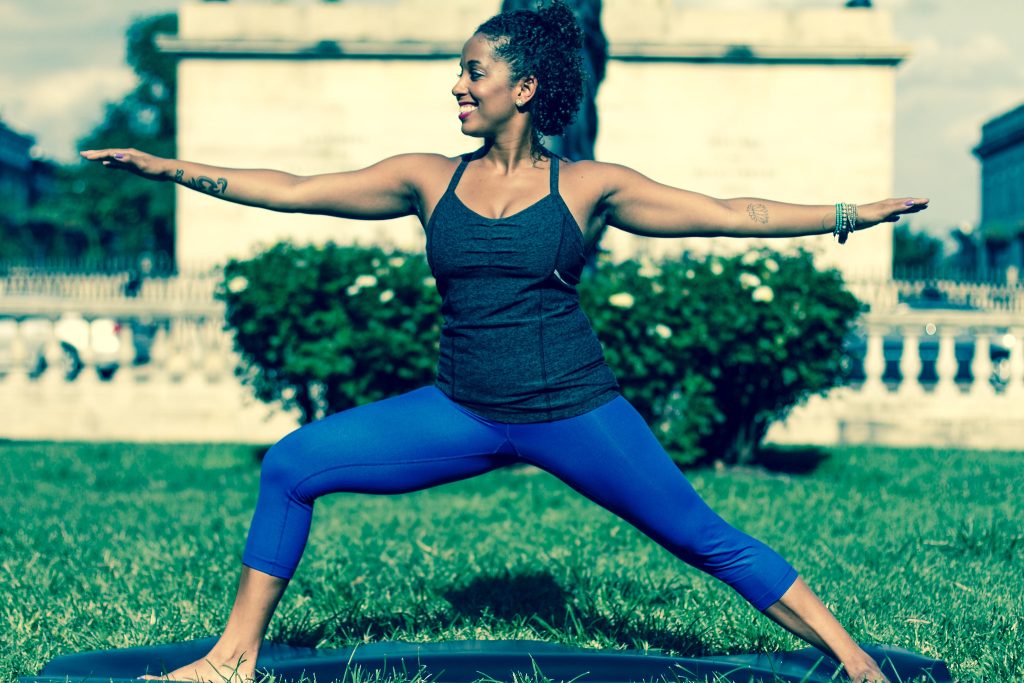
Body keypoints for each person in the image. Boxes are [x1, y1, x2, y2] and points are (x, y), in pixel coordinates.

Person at [81, 3, 928, 682]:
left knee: (703, 536)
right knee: (291, 463)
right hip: (463, 408)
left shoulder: (590, 185)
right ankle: (232, 658)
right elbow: (297, 190)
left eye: (471, 70)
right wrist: (171, 169)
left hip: (575, 409)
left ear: (522, 87)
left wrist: (849, 214)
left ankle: (854, 660)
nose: (456, 85)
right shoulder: (427, 176)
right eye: (458, 70)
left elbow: (736, 213)